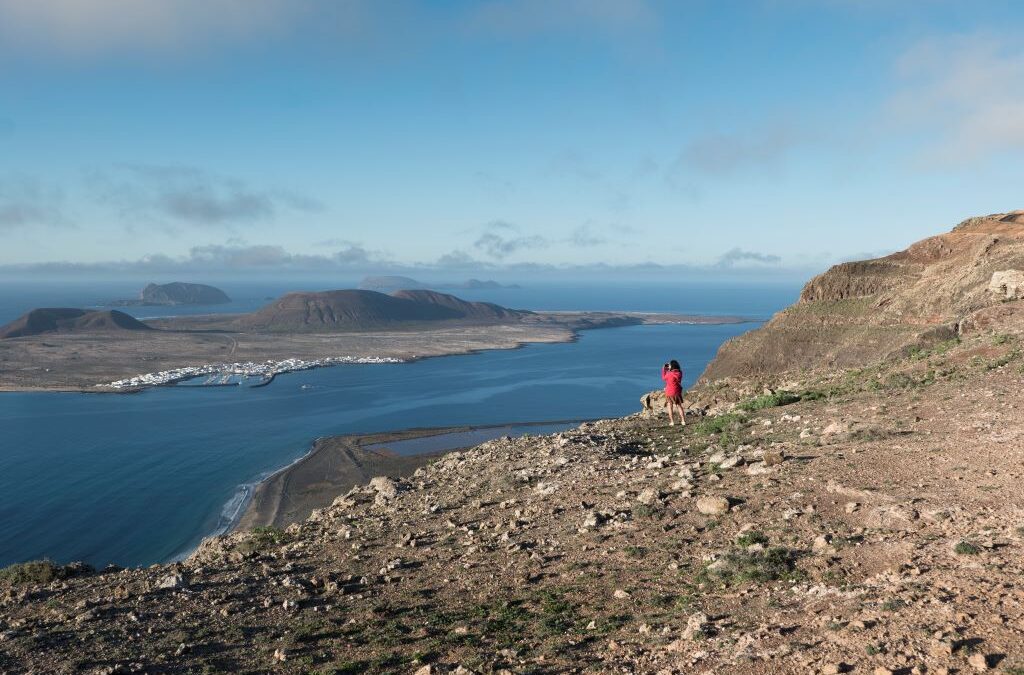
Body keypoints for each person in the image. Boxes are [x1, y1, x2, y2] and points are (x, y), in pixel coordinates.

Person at [661, 359, 686, 426]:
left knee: (670, 406)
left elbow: (663, 378)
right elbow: (675, 376)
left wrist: (664, 369)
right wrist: (669, 369)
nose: (668, 366)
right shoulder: (680, 373)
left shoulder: (669, 374)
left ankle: (672, 422)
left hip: (669, 392)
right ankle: (683, 421)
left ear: (672, 366)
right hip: (677, 392)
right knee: (679, 406)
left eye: (669, 365)